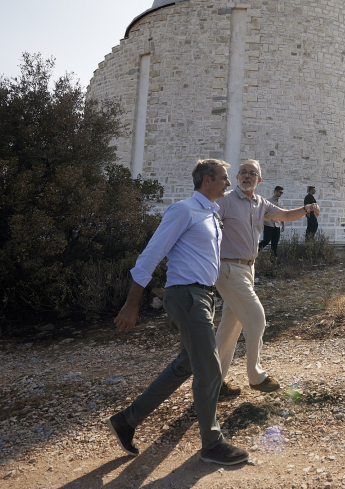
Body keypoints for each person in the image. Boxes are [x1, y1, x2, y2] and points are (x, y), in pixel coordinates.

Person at [106, 159, 248, 467]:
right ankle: (212, 443)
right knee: (209, 367)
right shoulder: (183, 210)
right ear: (207, 179)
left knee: (188, 363)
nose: (228, 183)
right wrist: (132, 305)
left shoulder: (210, 213)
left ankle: (127, 421)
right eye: (224, 178)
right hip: (187, 296)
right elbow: (150, 255)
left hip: (202, 297)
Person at [215, 160, 319, 397]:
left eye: (252, 173)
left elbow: (284, 215)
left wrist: (307, 209)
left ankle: (213, 383)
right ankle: (256, 375)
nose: (247, 176)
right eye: (243, 172)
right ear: (237, 176)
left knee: (230, 328)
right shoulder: (225, 201)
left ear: (259, 180)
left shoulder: (260, 203)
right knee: (257, 318)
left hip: (248, 270)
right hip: (229, 269)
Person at [257, 186, 285, 258]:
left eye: (282, 192)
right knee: (266, 240)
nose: (281, 194)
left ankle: (274, 259)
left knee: (275, 242)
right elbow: (262, 213)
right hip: (268, 224)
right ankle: (255, 251)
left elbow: (282, 214)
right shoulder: (268, 201)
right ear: (275, 191)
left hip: (277, 225)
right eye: (280, 192)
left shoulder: (281, 203)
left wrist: (283, 224)